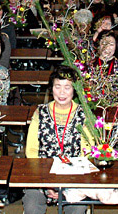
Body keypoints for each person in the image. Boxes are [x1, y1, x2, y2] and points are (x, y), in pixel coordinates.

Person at [23, 65, 88, 214]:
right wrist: (46, 183)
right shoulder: (40, 112)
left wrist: (67, 185)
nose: (62, 92)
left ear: (74, 89)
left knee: (78, 209)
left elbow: (87, 151)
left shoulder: (83, 114)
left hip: (74, 177)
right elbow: (32, 150)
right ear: (51, 88)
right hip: (41, 175)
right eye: (58, 87)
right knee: (32, 206)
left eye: (67, 87)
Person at [92, 30, 118, 99]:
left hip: (114, 105)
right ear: (98, 45)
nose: (107, 47)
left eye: (111, 44)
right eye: (104, 43)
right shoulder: (91, 64)